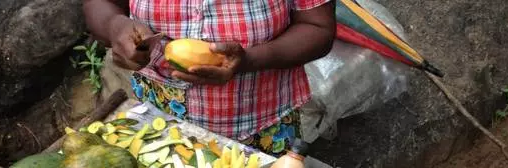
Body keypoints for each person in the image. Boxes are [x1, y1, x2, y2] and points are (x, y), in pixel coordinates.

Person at [84, 0, 336, 155]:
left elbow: (317, 28)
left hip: (261, 127)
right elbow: (99, 3)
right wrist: (114, 25)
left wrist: (249, 60)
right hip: (159, 127)